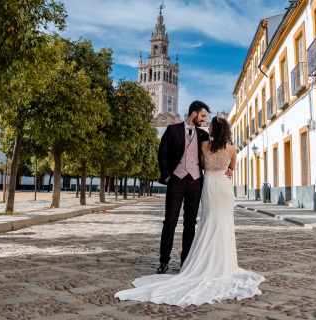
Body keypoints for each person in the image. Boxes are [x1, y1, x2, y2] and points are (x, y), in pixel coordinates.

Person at [114, 116, 265, 307]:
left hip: (209, 187)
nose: (207, 127)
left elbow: (201, 165)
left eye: (210, 126)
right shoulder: (233, 148)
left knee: (208, 222)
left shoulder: (204, 146)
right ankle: (224, 264)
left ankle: (201, 262)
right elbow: (231, 169)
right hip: (225, 188)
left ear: (215, 130)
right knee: (225, 224)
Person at [155, 100, 211, 274]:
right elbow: (162, 153)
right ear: (193, 114)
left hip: (195, 182)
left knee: (190, 224)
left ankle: (186, 262)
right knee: (170, 221)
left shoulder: (203, 135)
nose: (203, 120)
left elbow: (211, 156)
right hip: (176, 181)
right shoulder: (172, 130)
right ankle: (164, 260)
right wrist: (167, 176)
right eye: (202, 116)